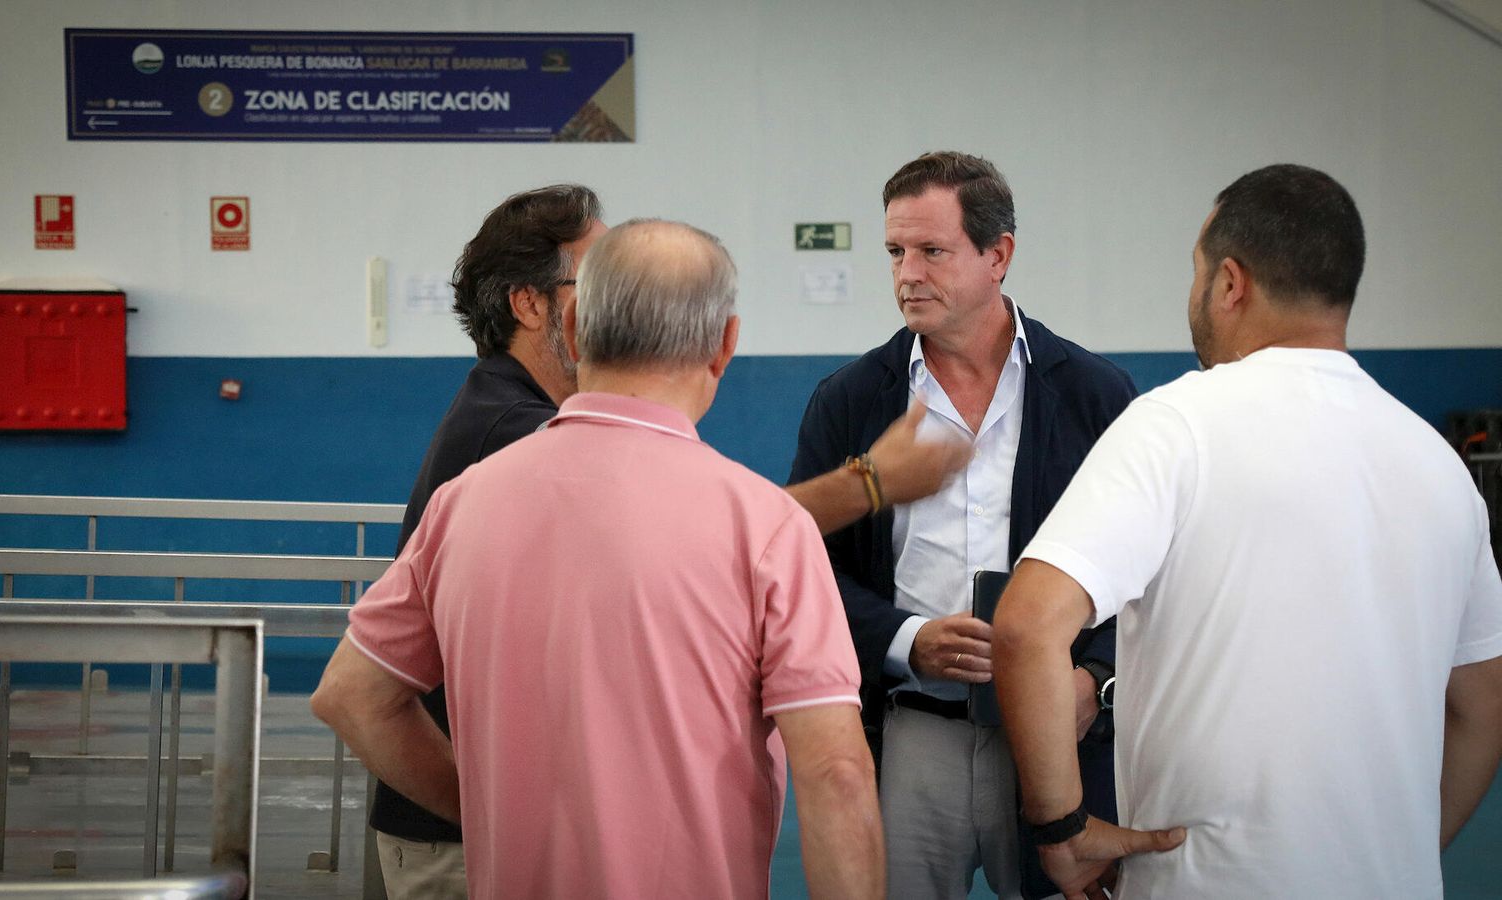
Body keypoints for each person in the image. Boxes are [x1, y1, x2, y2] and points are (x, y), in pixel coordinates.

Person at [313, 219, 886, 899]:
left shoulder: (463, 503)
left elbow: (351, 694)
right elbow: (835, 771)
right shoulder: (767, 525)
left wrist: (485, 813)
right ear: (726, 343)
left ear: (577, 325)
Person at [994, 163, 1502, 900]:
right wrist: (1407, 852)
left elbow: (1026, 626)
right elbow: (1484, 699)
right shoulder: (1438, 463)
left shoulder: (1176, 427)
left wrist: (1062, 831)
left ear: (1230, 283)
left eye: (1197, 272)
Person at [789, 151, 1137, 899]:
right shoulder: (850, 401)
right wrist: (907, 640)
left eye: (931, 250)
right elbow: (803, 570)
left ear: (998, 255)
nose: (907, 273)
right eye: (894, 251)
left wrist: (1096, 678)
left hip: (1056, 732)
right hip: (913, 731)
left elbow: (1144, 571)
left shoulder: (1095, 396)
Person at [368, 183, 606, 899]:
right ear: (529, 304)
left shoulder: (505, 408)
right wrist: (868, 484)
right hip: (464, 844)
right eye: (597, 282)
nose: (620, 304)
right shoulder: (518, 430)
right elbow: (695, 528)